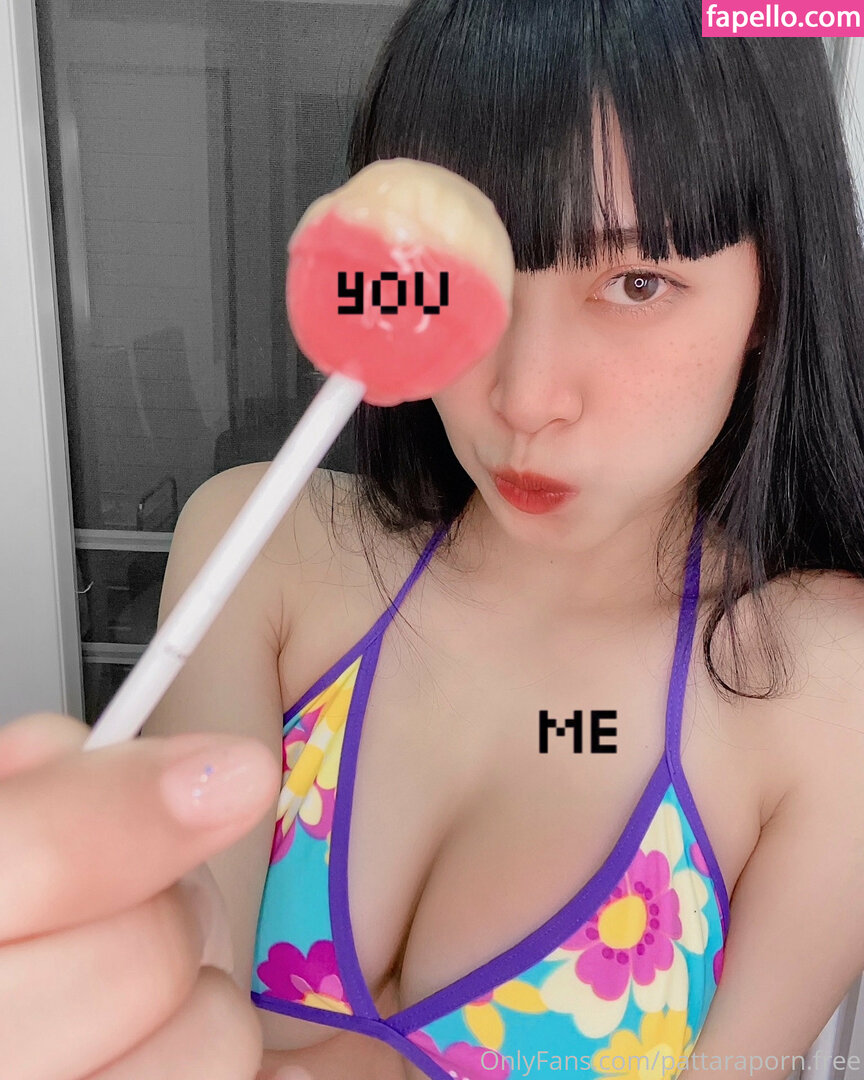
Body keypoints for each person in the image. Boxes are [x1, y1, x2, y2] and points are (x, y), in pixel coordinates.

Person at [4, 1, 864, 1078]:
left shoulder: (819, 684)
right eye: (470, 279)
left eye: (636, 282)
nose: (524, 396)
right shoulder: (261, 554)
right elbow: (181, 975)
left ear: (773, 292)